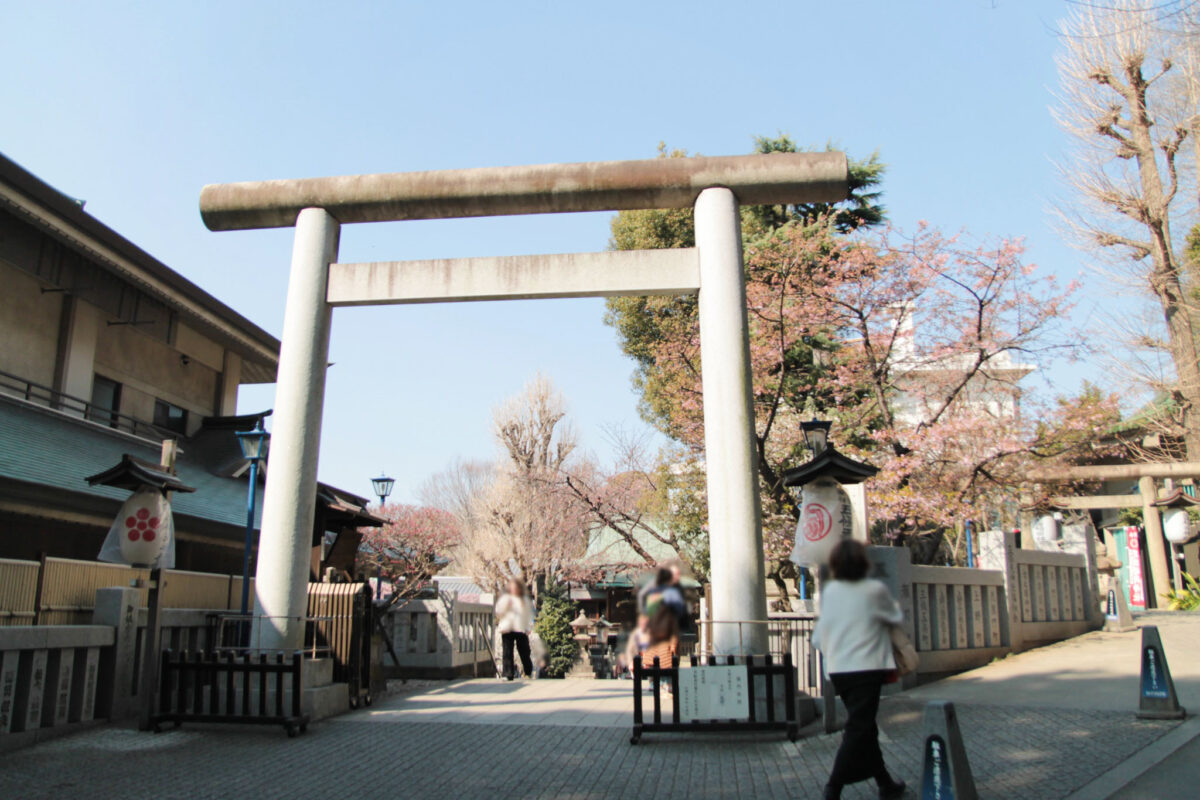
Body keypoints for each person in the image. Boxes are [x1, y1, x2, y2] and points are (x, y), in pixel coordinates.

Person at [811, 540, 907, 800]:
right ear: (863, 563)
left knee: (866, 726)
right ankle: (833, 787)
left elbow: (818, 638)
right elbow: (895, 619)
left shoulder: (830, 593)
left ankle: (885, 783)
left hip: (840, 671)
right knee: (859, 727)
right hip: (867, 667)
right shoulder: (874, 590)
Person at [494, 578, 534, 681]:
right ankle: (508, 673)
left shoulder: (524, 600)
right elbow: (498, 611)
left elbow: (528, 613)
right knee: (507, 651)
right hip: (508, 627)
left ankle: (528, 670)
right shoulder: (505, 599)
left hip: (521, 627)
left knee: (524, 651)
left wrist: (529, 626)